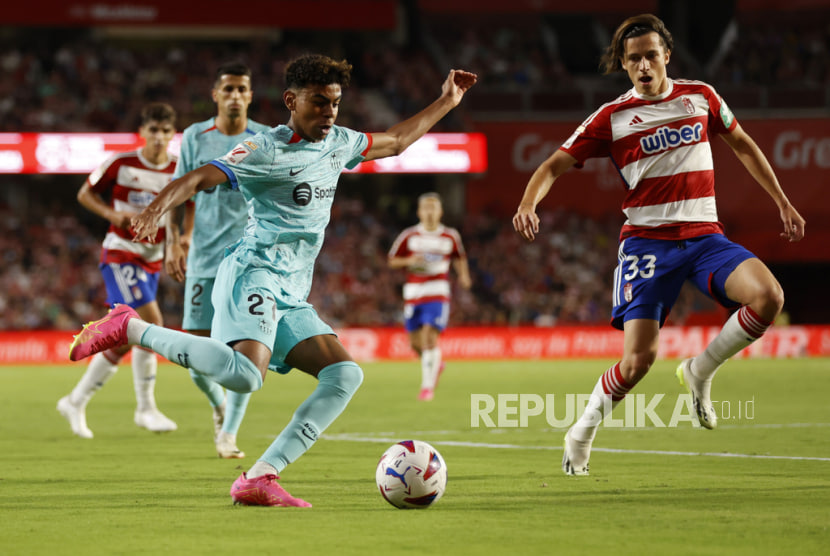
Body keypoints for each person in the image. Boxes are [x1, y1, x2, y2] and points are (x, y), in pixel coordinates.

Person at [69, 54, 477, 506]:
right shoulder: (264, 149)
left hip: (292, 290)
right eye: (318, 102)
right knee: (246, 376)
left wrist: (447, 101)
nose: (329, 112)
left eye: (335, 103)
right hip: (253, 272)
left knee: (344, 374)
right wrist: (155, 208)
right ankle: (130, 328)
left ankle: (260, 476)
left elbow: (397, 141)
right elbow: (201, 176)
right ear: (291, 101)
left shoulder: (340, 142)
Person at [512, 13, 805, 476]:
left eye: (651, 55)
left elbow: (744, 144)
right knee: (637, 362)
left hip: (705, 236)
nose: (644, 65)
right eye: (634, 59)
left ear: (667, 55)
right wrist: (529, 203)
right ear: (624, 65)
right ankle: (581, 432)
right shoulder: (611, 118)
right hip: (648, 244)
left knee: (769, 296)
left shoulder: (701, 96)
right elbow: (552, 165)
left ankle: (701, 369)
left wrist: (782, 201)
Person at [165, 62, 271, 459]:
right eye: (228, 89)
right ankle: (218, 405)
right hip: (204, 258)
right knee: (195, 359)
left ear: (250, 95)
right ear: (216, 95)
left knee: (245, 353)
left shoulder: (265, 138)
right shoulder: (196, 136)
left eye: (241, 89)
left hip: (250, 260)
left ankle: (229, 434)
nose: (234, 96)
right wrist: (174, 242)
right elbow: (179, 191)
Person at [58, 102, 180, 438]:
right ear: (142, 132)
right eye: (153, 130)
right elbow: (85, 193)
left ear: (172, 134)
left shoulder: (178, 169)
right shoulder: (121, 163)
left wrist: (180, 242)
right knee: (150, 324)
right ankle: (146, 409)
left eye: (165, 131)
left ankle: (75, 401)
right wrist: (112, 215)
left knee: (126, 338)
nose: (158, 137)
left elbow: (187, 207)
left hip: (152, 260)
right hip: (121, 253)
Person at [387, 192, 471, 401]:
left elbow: (459, 257)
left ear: (440, 212)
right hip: (413, 294)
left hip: (437, 293)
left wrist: (463, 275)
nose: (430, 212)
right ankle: (436, 364)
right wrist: (409, 261)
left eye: (433, 208)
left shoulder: (450, 236)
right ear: (419, 212)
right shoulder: (410, 235)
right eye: (426, 208)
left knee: (429, 338)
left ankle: (427, 388)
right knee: (415, 343)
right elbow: (392, 260)